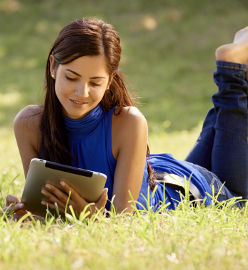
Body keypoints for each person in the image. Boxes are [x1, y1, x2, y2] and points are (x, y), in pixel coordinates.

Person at [5, 18, 248, 218]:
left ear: (110, 80)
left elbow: (125, 220)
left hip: (190, 190)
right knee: (225, 116)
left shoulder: (129, 121)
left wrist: (90, 218)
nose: (82, 92)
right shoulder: (28, 124)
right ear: (52, 67)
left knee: (240, 200)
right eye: (72, 77)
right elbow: (45, 207)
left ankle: (231, 71)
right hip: (159, 177)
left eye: (95, 82)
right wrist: (25, 213)